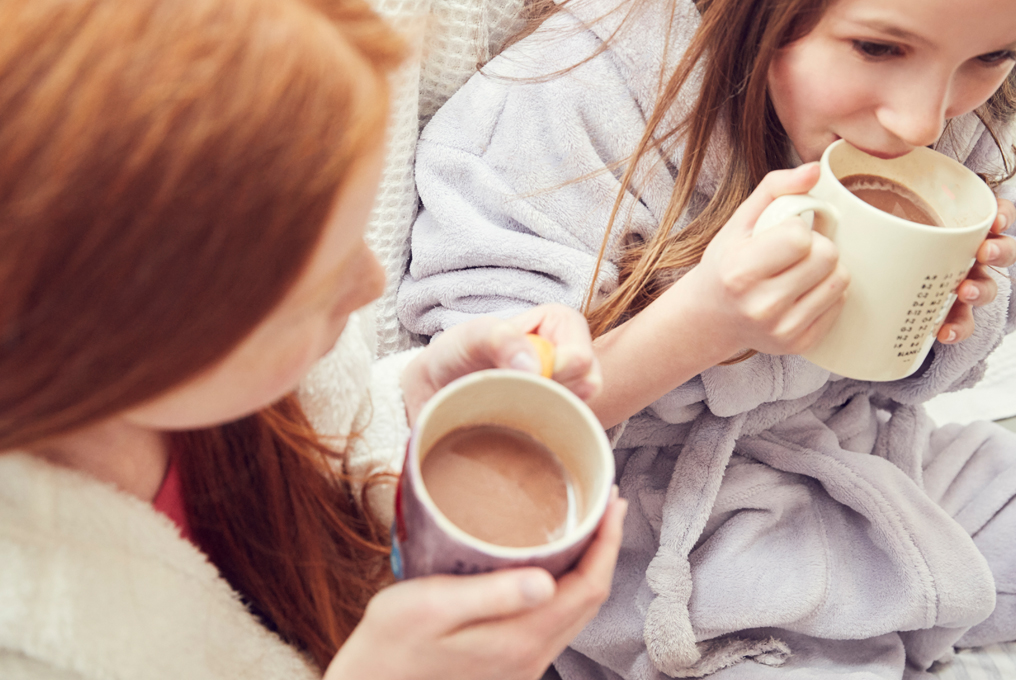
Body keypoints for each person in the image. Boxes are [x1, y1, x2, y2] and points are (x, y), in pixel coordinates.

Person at [0, 0, 628, 678]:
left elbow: (323, 437)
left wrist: (414, 403)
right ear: (125, 344)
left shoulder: (202, 377)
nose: (372, 283)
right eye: (319, 286)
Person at [397, 0, 1016, 677]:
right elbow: (487, 427)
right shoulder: (558, 102)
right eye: (877, 48)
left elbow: (914, 372)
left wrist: (942, 312)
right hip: (655, 537)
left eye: (993, 57)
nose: (924, 122)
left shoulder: (957, 112)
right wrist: (700, 326)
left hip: (863, 458)